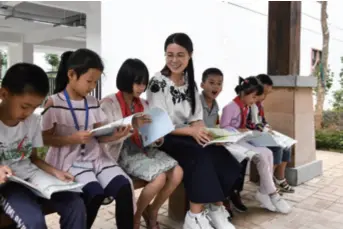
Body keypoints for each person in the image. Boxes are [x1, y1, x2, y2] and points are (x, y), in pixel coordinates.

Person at [147, 32, 240, 229]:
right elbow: (160, 124)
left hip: (188, 136)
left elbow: (197, 118)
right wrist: (191, 132)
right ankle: (195, 216)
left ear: (190, 55)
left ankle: (216, 208)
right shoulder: (157, 82)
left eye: (180, 55)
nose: (174, 60)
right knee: (200, 155)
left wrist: (209, 135)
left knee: (225, 157)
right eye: (169, 55)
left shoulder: (189, 82)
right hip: (166, 139)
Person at [41, 49, 137, 229]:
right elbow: (43, 139)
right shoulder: (54, 103)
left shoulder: (93, 103)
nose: (92, 86)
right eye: (89, 81)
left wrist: (114, 135)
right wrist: (71, 139)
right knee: (94, 193)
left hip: (96, 157)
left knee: (124, 187)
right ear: (71, 74)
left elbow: (97, 136)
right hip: (68, 161)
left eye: (96, 82)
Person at [0, 63, 86, 229]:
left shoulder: (32, 121)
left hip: (33, 177)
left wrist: (56, 173)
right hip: (9, 184)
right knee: (34, 222)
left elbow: (33, 158)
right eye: (25, 106)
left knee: (75, 205)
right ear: (4, 94)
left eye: (34, 108)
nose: (28, 113)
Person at [100, 58, 183, 229]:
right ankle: (136, 217)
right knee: (159, 178)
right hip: (121, 151)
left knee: (178, 173)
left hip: (143, 149)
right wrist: (132, 127)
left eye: (144, 83)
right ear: (126, 80)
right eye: (138, 83)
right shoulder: (108, 103)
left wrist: (157, 138)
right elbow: (105, 137)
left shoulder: (143, 104)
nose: (142, 88)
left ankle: (152, 211)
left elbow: (149, 134)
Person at [220, 76, 291, 214]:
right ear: (244, 93)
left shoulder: (245, 106)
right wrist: (238, 130)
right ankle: (272, 194)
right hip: (233, 142)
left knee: (269, 153)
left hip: (244, 139)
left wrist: (249, 131)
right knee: (261, 155)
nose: (254, 101)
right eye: (253, 97)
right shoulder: (230, 107)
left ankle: (265, 192)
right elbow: (223, 128)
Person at [199, 68, 248, 216]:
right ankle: (216, 203)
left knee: (235, 163)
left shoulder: (215, 105)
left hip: (210, 143)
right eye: (211, 83)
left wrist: (220, 138)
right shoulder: (195, 102)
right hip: (197, 144)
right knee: (219, 164)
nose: (215, 87)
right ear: (202, 84)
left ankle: (224, 197)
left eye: (219, 84)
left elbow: (214, 127)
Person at [246, 74, 294, 193]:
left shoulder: (259, 104)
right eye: (264, 93)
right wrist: (264, 129)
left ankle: (279, 178)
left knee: (287, 145)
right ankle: (267, 184)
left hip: (260, 134)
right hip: (249, 136)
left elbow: (262, 121)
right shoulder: (247, 102)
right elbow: (249, 125)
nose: (265, 97)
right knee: (277, 148)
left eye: (267, 93)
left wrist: (267, 127)